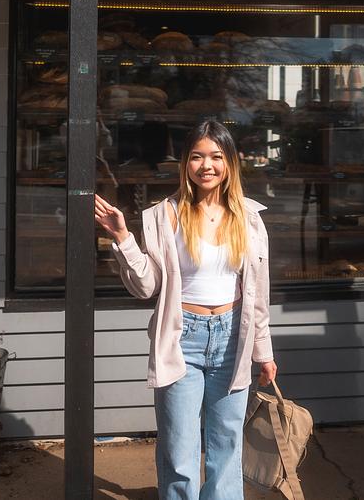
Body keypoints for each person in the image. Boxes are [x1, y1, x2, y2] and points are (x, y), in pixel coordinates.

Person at [94, 119, 276, 500]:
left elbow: (258, 295)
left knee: (226, 442)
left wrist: (265, 352)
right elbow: (146, 286)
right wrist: (124, 238)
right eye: (197, 157)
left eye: (215, 156)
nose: (206, 165)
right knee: (179, 445)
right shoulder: (165, 215)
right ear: (185, 164)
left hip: (232, 338)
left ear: (230, 162)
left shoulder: (250, 218)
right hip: (182, 337)